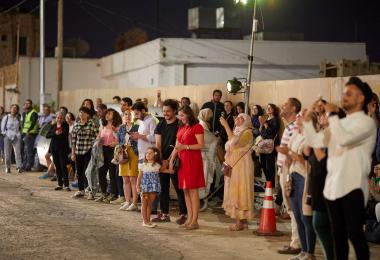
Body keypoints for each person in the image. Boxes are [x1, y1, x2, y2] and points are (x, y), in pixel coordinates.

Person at [303, 76, 376, 260]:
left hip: (353, 187)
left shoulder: (366, 123)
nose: (344, 97)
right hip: (333, 187)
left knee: (355, 235)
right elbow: (315, 141)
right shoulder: (339, 123)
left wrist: (333, 114)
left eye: (349, 94)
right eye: (344, 93)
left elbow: (344, 138)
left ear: (360, 98)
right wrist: (307, 120)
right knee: (338, 237)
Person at [303, 109, 339, 260]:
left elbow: (324, 161)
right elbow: (306, 153)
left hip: (331, 186)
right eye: (320, 114)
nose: (321, 117)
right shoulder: (322, 135)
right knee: (319, 223)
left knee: (324, 225)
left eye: (326, 114)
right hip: (318, 185)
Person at [169, 105, 205, 230]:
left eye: (182, 115)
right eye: (179, 115)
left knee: (193, 191)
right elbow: (177, 145)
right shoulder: (181, 127)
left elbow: (201, 145)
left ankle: (195, 221)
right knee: (185, 190)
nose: (180, 117)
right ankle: (190, 219)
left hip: (193, 161)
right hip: (182, 162)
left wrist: (186, 147)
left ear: (189, 114)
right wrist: (171, 160)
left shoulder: (197, 127)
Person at [287, 113, 316, 260]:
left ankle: (310, 252)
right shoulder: (296, 134)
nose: (297, 118)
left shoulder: (310, 138)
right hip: (293, 175)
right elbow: (289, 154)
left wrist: (289, 152)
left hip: (304, 177)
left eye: (300, 116)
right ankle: (303, 251)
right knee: (297, 216)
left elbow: (305, 160)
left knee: (306, 217)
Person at [153, 99, 187, 224]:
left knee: (179, 188)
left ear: (174, 111)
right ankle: (164, 214)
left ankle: (183, 214)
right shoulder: (160, 124)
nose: (165, 113)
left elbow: (179, 145)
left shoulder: (180, 125)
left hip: (176, 159)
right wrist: (160, 159)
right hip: (162, 160)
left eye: (168, 111)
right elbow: (157, 143)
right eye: (164, 111)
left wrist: (169, 160)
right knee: (163, 188)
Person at [276, 97, 302, 255]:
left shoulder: (297, 126)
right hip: (284, 169)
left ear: (293, 109)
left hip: (290, 170)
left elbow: (296, 150)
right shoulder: (290, 126)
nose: (282, 106)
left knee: (293, 208)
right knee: (291, 208)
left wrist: (288, 171)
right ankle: (296, 241)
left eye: (285, 105)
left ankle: (297, 243)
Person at [220, 113, 254, 231]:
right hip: (234, 164)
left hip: (242, 166)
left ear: (246, 121)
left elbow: (235, 143)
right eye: (237, 117)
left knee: (239, 190)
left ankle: (239, 222)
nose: (237, 119)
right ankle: (242, 221)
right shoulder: (238, 131)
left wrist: (225, 126)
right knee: (235, 189)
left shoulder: (247, 132)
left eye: (240, 118)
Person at [71, 106, 99, 198]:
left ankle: (90, 191)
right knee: (79, 171)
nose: (81, 114)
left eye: (83, 113)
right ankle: (81, 190)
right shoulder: (76, 124)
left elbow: (96, 137)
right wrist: (73, 153)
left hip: (88, 150)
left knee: (88, 171)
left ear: (87, 115)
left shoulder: (91, 124)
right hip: (78, 150)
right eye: (80, 112)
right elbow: (73, 140)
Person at [96, 108, 122, 203]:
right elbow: (98, 136)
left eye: (110, 113)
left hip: (113, 150)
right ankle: (103, 193)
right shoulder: (102, 126)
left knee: (112, 173)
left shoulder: (118, 126)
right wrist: (98, 140)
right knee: (101, 172)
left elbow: (121, 139)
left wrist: (115, 143)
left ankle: (113, 194)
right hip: (103, 150)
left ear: (114, 115)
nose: (107, 115)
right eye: (106, 113)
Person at [118, 109, 140, 211]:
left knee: (133, 178)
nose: (128, 116)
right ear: (123, 116)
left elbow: (139, 140)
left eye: (130, 114)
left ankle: (135, 202)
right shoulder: (121, 128)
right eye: (126, 114)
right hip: (124, 153)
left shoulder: (137, 127)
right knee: (125, 178)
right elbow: (119, 141)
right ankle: (127, 201)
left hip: (134, 153)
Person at [198, 108, 219, 206]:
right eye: (209, 115)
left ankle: (202, 198)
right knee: (203, 178)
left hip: (207, 155)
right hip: (203, 156)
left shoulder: (204, 124)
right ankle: (199, 198)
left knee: (206, 177)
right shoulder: (201, 125)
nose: (210, 117)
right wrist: (214, 138)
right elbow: (206, 138)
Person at [136, 147, 161, 228]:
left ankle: (148, 220)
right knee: (144, 203)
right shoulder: (142, 165)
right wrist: (137, 186)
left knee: (150, 204)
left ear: (155, 154)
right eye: (147, 153)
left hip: (153, 187)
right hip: (144, 187)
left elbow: (164, 170)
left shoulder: (157, 165)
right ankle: (145, 221)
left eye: (150, 153)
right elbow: (139, 177)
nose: (148, 154)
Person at [47, 111, 71, 191]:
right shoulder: (53, 126)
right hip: (54, 148)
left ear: (63, 119)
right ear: (56, 118)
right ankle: (59, 184)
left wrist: (58, 134)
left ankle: (67, 185)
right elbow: (47, 135)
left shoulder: (66, 125)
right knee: (57, 166)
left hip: (63, 149)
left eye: (61, 118)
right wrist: (55, 133)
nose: (59, 119)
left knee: (63, 166)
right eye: (58, 118)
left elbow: (64, 134)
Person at [130, 102, 157, 168]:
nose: (136, 116)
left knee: (148, 177)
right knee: (141, 177)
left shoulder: (152, 120)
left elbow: (154, 138)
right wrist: (135, 137)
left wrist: (139, 136)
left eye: (137, 114)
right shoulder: (142, 122)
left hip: (149, 156)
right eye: (135, 114)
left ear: (143, 110)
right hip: (141, 154)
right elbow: (142, 138)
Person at [259, 104, 280, 187]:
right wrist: (262, 124)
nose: (268, 109)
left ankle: (271, 184)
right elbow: (262, 132)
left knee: (270, 166)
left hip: (270, 145)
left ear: (274, 110)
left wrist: (265, 124)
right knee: (263, 164)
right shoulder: (266, 119)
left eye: (270, 108)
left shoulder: (275, 119)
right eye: (267, 107)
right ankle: (268, 182)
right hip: (264, 144)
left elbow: (272, 131)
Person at [1, 104, 22, 173]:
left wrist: (20, 134)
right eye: (12, 108)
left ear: (17, 110)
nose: (13, 109)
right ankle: (8, 167)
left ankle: (19, 167)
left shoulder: (18, 117)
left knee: (18, 152)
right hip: (8, 136)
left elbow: (21, 126)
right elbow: (2, 127)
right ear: (10, 109)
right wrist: (5, 134)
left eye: (15, 108)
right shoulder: (6, 117)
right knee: (7, 153)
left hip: (17, 136)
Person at [21, 99, 39, 171]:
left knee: (29, 151)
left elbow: (33, 123)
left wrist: (28, 131)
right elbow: (23, 123)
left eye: (28, 103)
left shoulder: (34, 112)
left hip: (31, 133)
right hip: (25, 133)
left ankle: (28, 166)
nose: (27, 105)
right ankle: (24, 165)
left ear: (31, 104)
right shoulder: (25, 113)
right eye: (26, 104)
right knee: (25, 151)